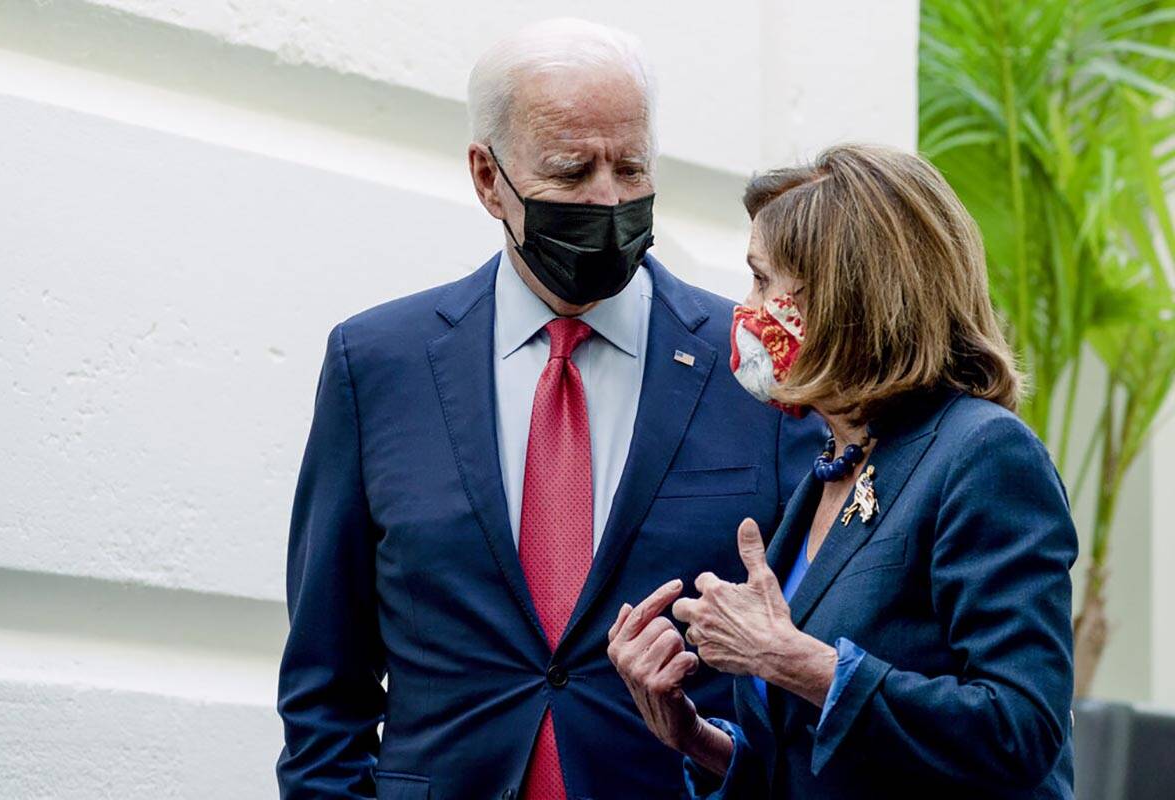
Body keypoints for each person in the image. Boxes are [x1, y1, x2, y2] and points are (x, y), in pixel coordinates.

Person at [274, 18, 818, 800]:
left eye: (631, 168)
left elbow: (810, 659)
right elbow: (327, 690)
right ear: (487, 178)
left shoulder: (755, 369)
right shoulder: (378, 367)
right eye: (571, 170)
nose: (607, 198)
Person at [608, 144, 1078, 799]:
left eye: (764, 280)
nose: (745, 309)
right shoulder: (835, 464)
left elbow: (1019, 730)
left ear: (846, 297)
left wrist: (791, 659)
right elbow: (814, 762)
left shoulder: (983, 454)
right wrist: (693, 738)